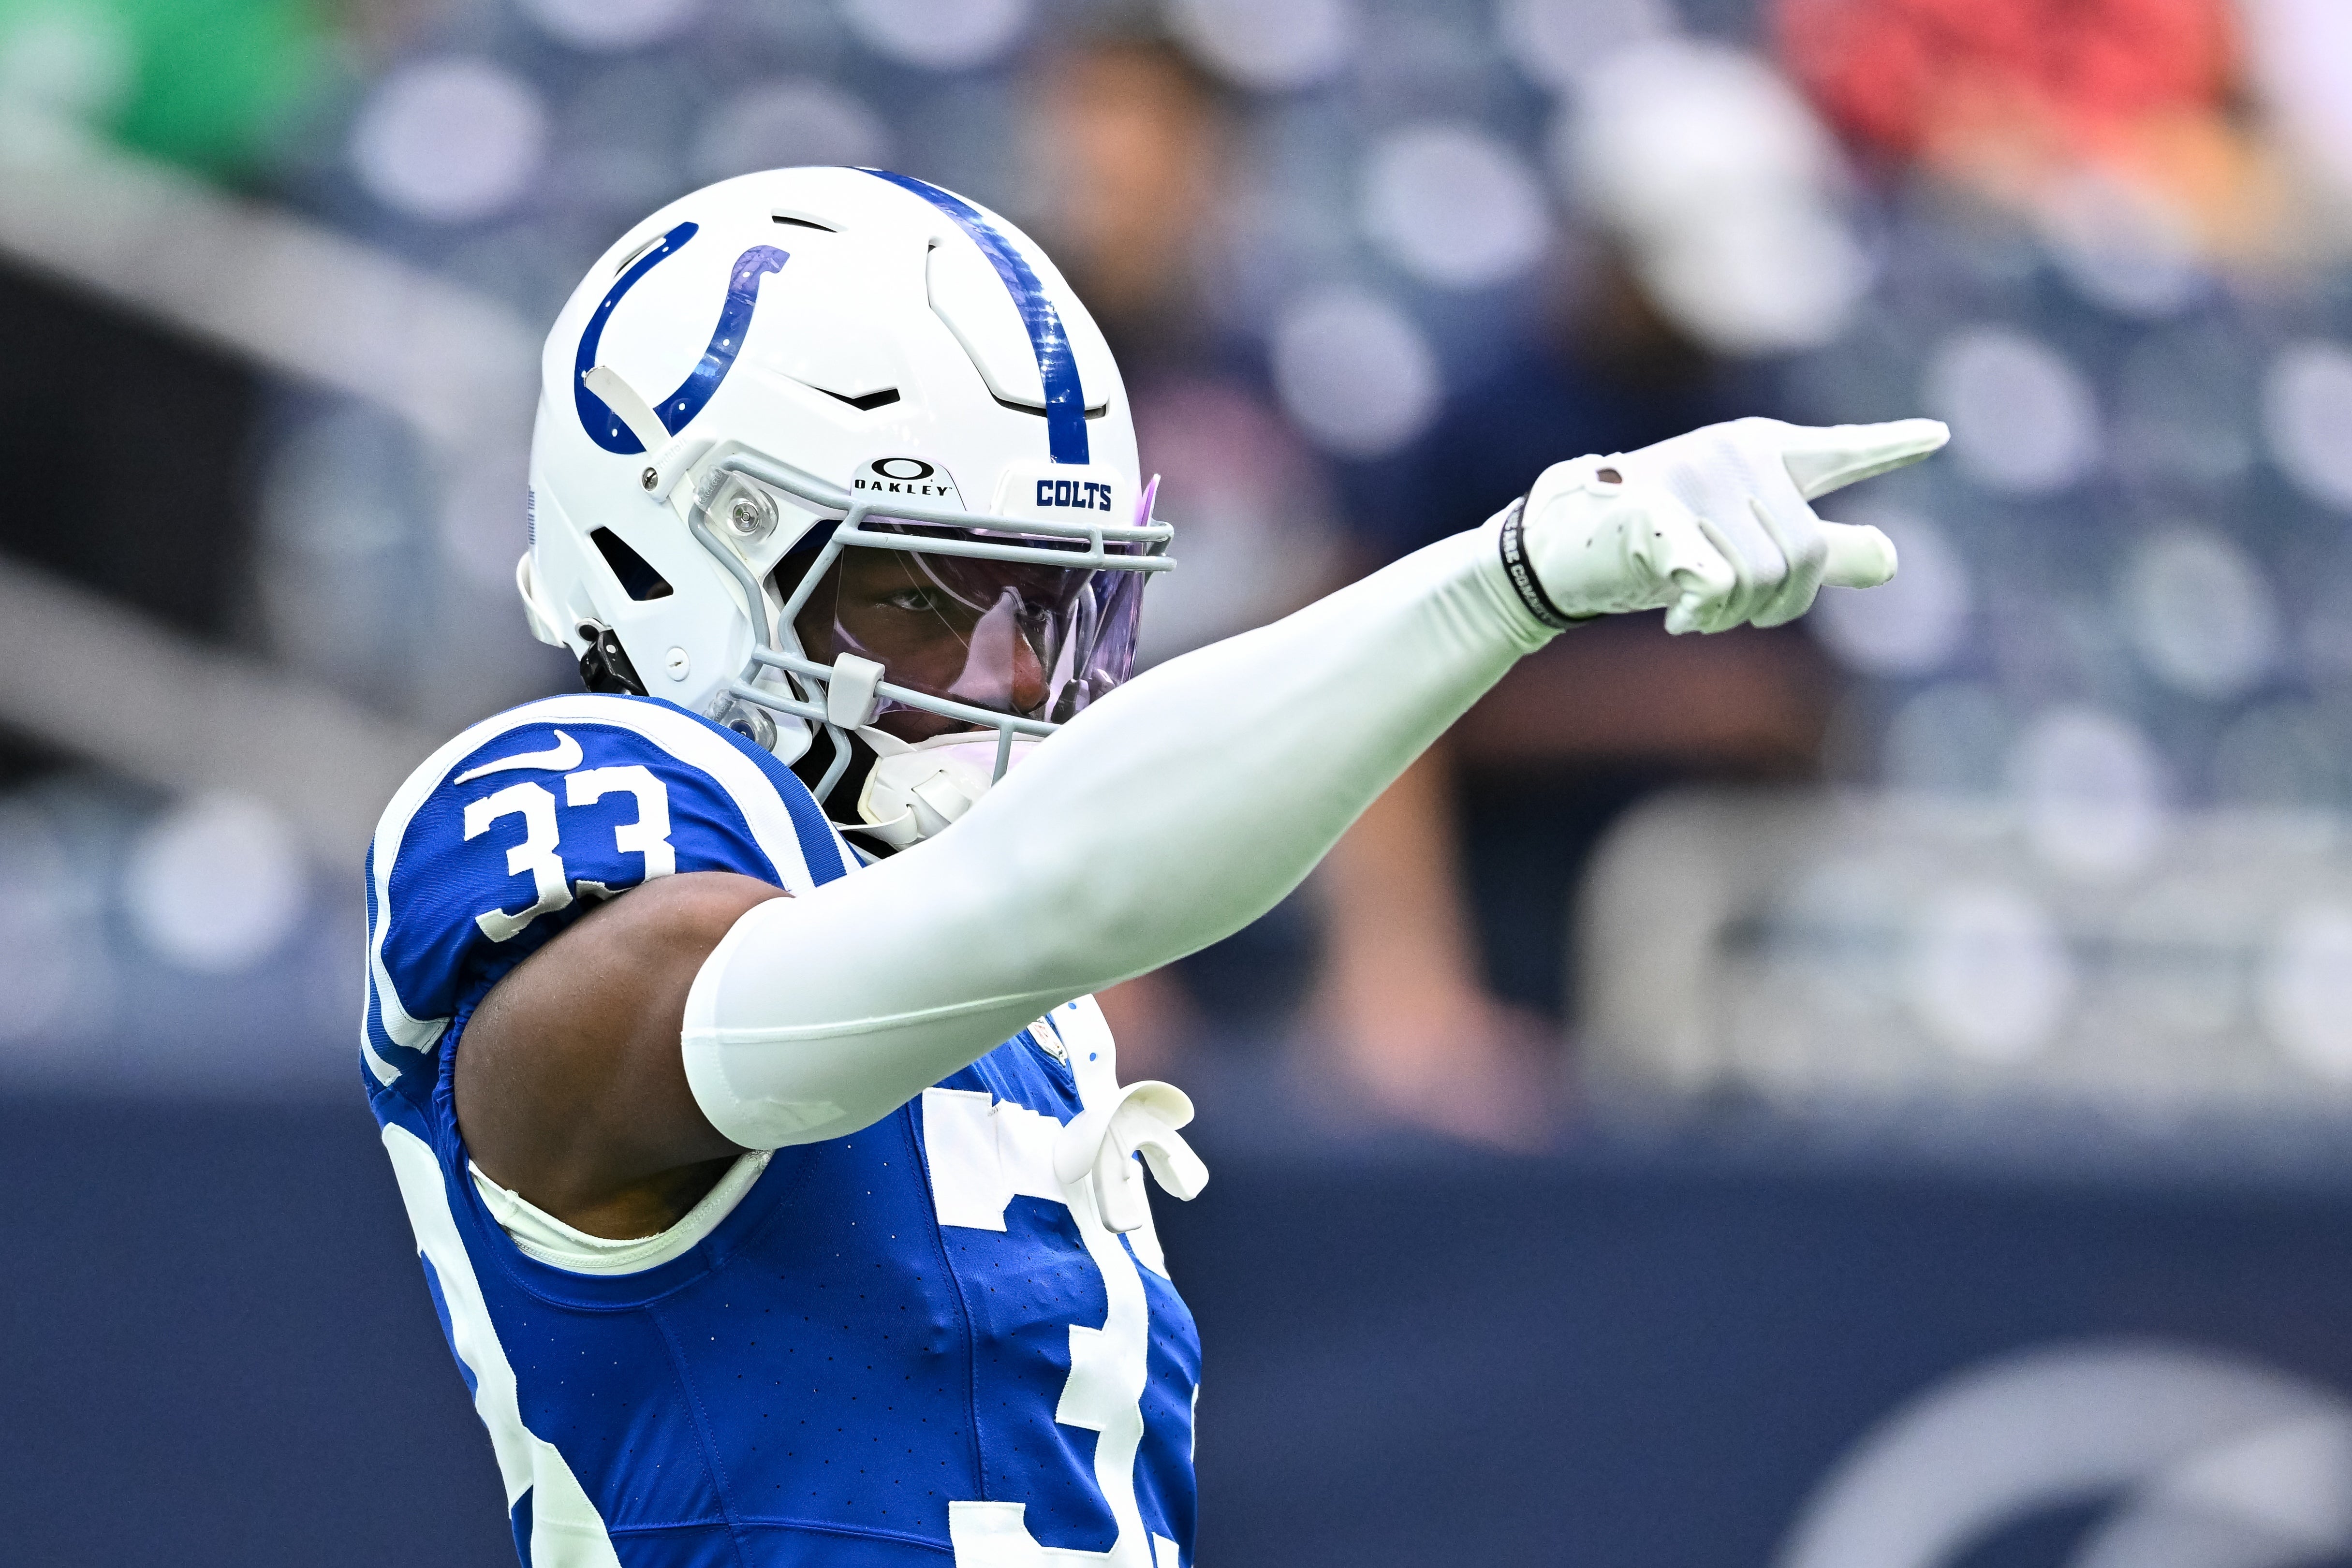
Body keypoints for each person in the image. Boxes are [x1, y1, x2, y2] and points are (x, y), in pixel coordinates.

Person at [359, 164, 1939, 1566]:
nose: (999, 682)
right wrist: (1506, 578)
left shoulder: (999, 988)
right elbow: (1031, 902)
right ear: (671, 554)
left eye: (1054, 612)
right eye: (924, 594)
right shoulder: (578, 810)